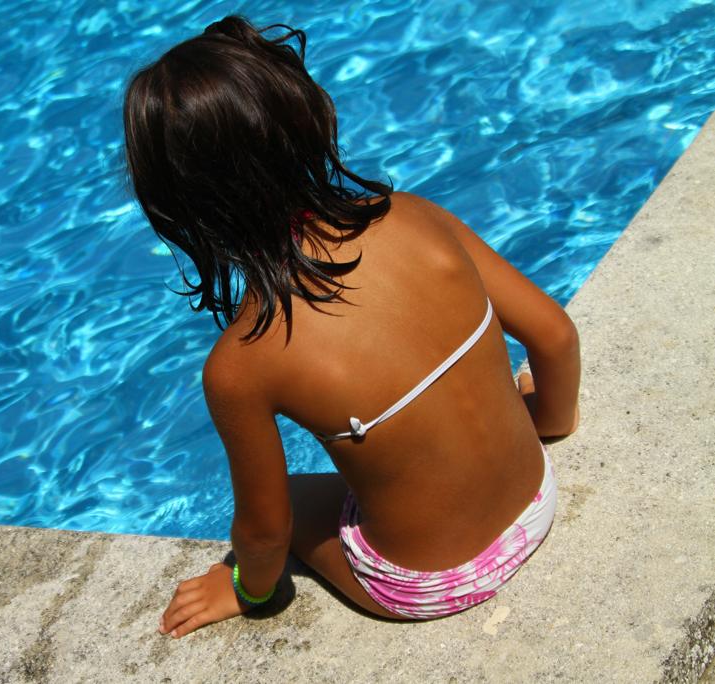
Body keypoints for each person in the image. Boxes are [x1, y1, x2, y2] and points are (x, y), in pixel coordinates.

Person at [122, 15, 580, 638]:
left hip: (424, 583)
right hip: (536, 504)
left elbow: (264, 531)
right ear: (307, 120)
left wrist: (245, 590)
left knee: (294, 494)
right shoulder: (418, 217)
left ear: (179, 206)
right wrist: (547, 423)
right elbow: (553, 335)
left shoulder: (240, 364)